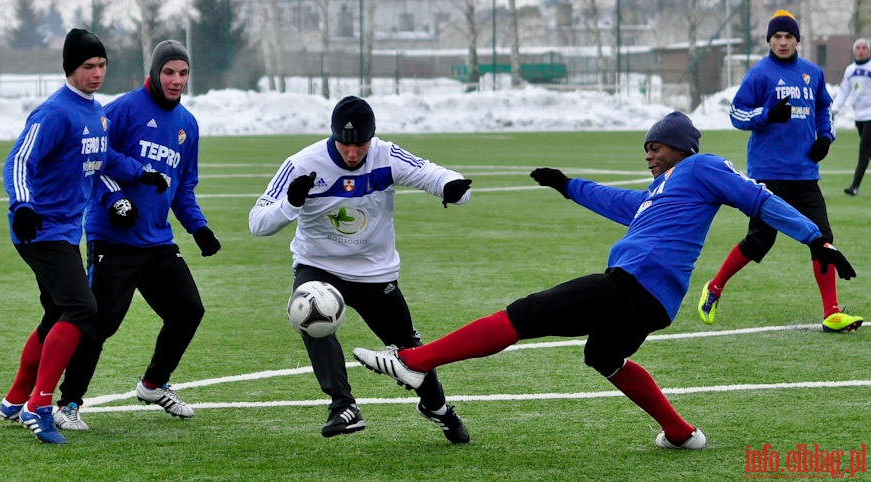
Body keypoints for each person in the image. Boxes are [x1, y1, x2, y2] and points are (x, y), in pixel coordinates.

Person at [353, 111, 857, 449]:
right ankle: (681, 434)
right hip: (649, 301)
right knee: (603, 356)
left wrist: (815, 237)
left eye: (656, 147)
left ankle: (414, 363)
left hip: (633, 286)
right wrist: (568, 185)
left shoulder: (702, 166)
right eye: (646, 148)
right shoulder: (661, 192)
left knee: (526, 313)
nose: (649, 155)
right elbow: (619, 202)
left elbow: (758, 199)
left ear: (680, 147)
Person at [248, 95, 473, 442]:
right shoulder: (301, 163)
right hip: (318, 265)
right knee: (308, 312)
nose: (353, 153)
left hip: (374, 273)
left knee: (409, 349)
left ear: (373, 137)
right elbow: (258, 222)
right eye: (344, 144)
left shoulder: (386, 155)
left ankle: (437, 408)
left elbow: (431, 173)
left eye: (361, 144)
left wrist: (452, 188)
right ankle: (343, 406)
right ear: (332, 135)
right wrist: (291, 202)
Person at [52, 40, 221, 431]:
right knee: (101, 320)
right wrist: (114, 201)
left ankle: (153, 384)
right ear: (154, 71)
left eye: (182, 73)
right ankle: (68, 403)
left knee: (188, 311)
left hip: (158, 242)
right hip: (113, 239)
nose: (176, 80)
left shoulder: (187, 125)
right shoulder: (122, 110)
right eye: (169, 72)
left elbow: (182, 188)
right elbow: (94, 161)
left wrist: (199, 227)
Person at [0, 29, 149, 444]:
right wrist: (23, 205)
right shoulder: (53, 113)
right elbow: (18, 162)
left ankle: (15, 399)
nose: (97, 73)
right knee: (83, 308)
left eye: (101, 65)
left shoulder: (95, 113)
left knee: (57, 313)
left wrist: (136, 175)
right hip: (39, 229)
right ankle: (39, 406)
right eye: (88, 66)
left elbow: (101, 160)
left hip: (65, 230)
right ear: (70, 69)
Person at [700, 10, 863, 333]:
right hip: (768, 174)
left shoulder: (812, 72)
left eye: (789, 36)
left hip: (804, 174)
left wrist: (826, 139)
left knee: (822, 238)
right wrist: (766, 114)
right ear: (769, 41)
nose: (783, 42)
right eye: (777, 37)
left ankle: (831, 312)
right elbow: (737, 114)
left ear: (797, 40)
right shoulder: (760, 74)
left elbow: (822, 109)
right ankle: (714, 287)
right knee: (759, 241)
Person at [831, 38, 871, 196]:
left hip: (870, 116)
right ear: (854, 51)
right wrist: (834, 109)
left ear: (868, 50)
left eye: (864, 48)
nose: (861, 50)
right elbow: (844, 91)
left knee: (864, 150)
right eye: (858, 48)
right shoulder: (850, 70)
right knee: (869, 151)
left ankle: (854, 186)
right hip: (859, 117)